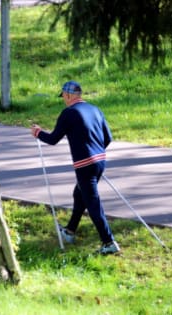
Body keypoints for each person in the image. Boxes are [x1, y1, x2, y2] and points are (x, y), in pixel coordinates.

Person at [31, 81, 120, 254]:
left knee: (93, 203)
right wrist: (95, 153)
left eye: (63, 96)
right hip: (100, 161)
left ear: (69, 95)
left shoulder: (68, 113)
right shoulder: (95, 109)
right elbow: (107, 138)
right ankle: (70, 231)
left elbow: (53, 139)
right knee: (79, 194)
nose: (63, 99)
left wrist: (37, 133)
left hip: (84, 165)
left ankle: (109, 242)